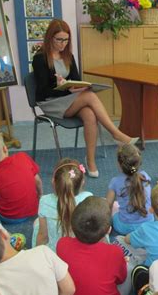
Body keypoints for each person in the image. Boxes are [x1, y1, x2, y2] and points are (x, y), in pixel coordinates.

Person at [32, 19, 137, 178]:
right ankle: (116, 134)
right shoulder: (40, 58)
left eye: (66, 40)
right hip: (51, 102)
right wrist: (64, 88)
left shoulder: (68, 56)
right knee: (89, 96)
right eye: (59, 40)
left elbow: (76, 79)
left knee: (89, 114)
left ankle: (90, 160)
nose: (62, 44)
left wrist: (76, 87)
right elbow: (42, 92)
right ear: (50, 38)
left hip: (68, 99)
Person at [57, 197, 127, 295]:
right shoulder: (115, 252)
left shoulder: (62, 244)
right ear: (109, 230)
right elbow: (121, 279)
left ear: (72, 225)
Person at [0, 133, 42, 223]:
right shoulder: (23, 156)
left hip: (9, 218)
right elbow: (38, 181)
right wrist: (40, 195)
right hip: (34, 210)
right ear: (5, 148)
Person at [32, 158, 92, 250]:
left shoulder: (44, 201)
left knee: (37, 223)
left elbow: (43, 236)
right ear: (82, 182)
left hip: (54, 253)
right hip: (79, 253)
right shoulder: (88, 198)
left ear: (53, 182)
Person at [106, 144, 154, 235]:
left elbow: (108, 205)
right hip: (148, 224)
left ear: (119, 164)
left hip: (125, 227)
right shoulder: (145, 176)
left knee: (114, 209)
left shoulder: (115, 182)